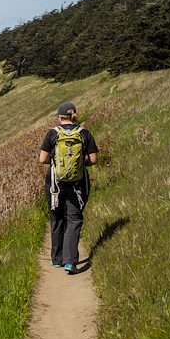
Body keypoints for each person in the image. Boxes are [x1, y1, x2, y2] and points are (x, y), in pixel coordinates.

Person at [38, 101, 99, 273]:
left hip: (55, 185)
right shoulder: (85, 133)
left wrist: (56, 161)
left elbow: (42, 159)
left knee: (56, 218)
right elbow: (93, 160)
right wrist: (79, 163)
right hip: (78, 185)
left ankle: (56, 259)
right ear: (74, 115)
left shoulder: (52, 134)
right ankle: (70, 261)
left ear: (60, 117)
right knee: (74, 219)